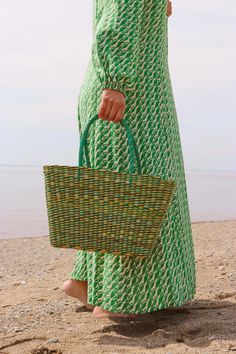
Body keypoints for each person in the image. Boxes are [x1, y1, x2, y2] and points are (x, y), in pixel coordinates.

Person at [63, 0, 196, 318]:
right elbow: (118, 20)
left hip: (124, 91)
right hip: (128, 96)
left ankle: (84, 280)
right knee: (136, 192)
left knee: (112, 191)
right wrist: (116, 83)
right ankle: (118, 300)